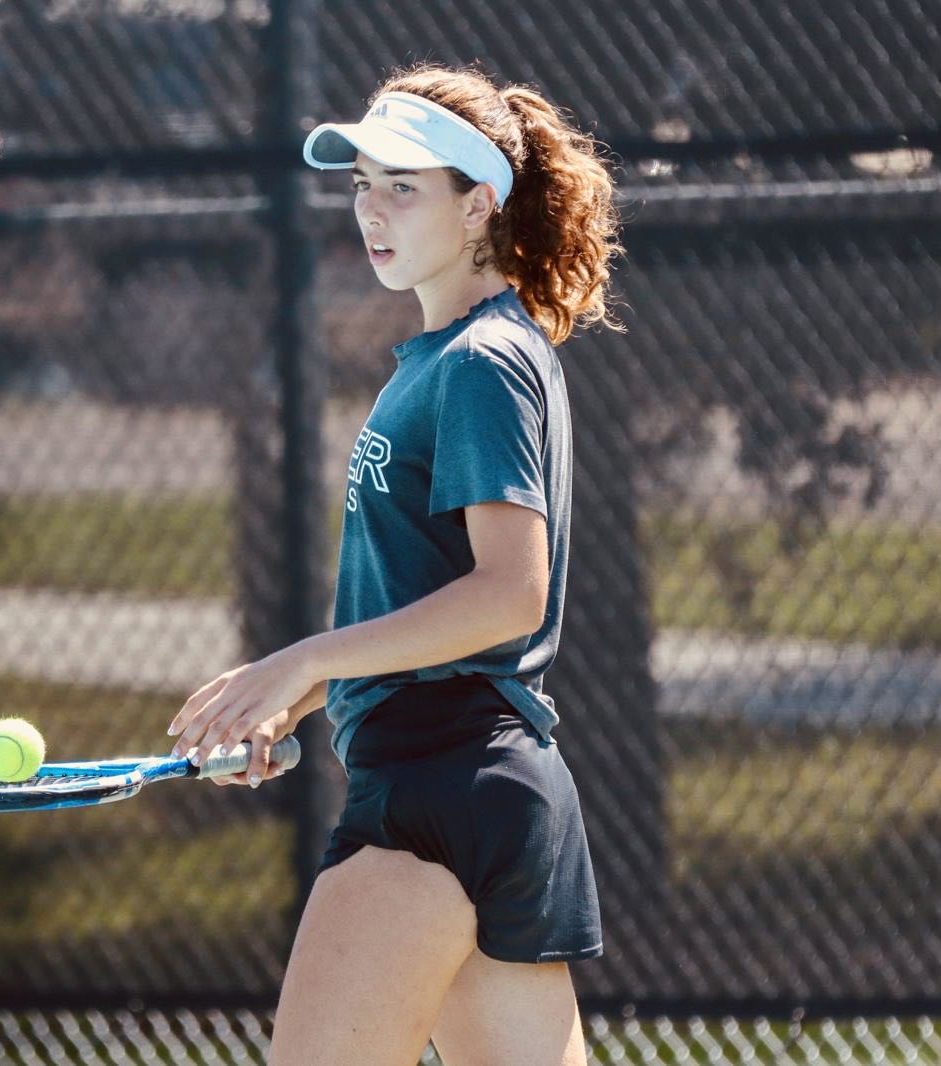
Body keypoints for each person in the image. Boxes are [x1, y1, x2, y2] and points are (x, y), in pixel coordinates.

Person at [166, 60, 624, 1065]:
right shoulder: (462, 353)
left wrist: (306, 662)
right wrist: (312, 694)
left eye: (402, 187)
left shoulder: (478, 363)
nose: (370, 210)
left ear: (478, 207)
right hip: (488, 789)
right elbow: (429, 597)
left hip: (437, 791)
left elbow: (511, 591)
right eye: (361, 183)